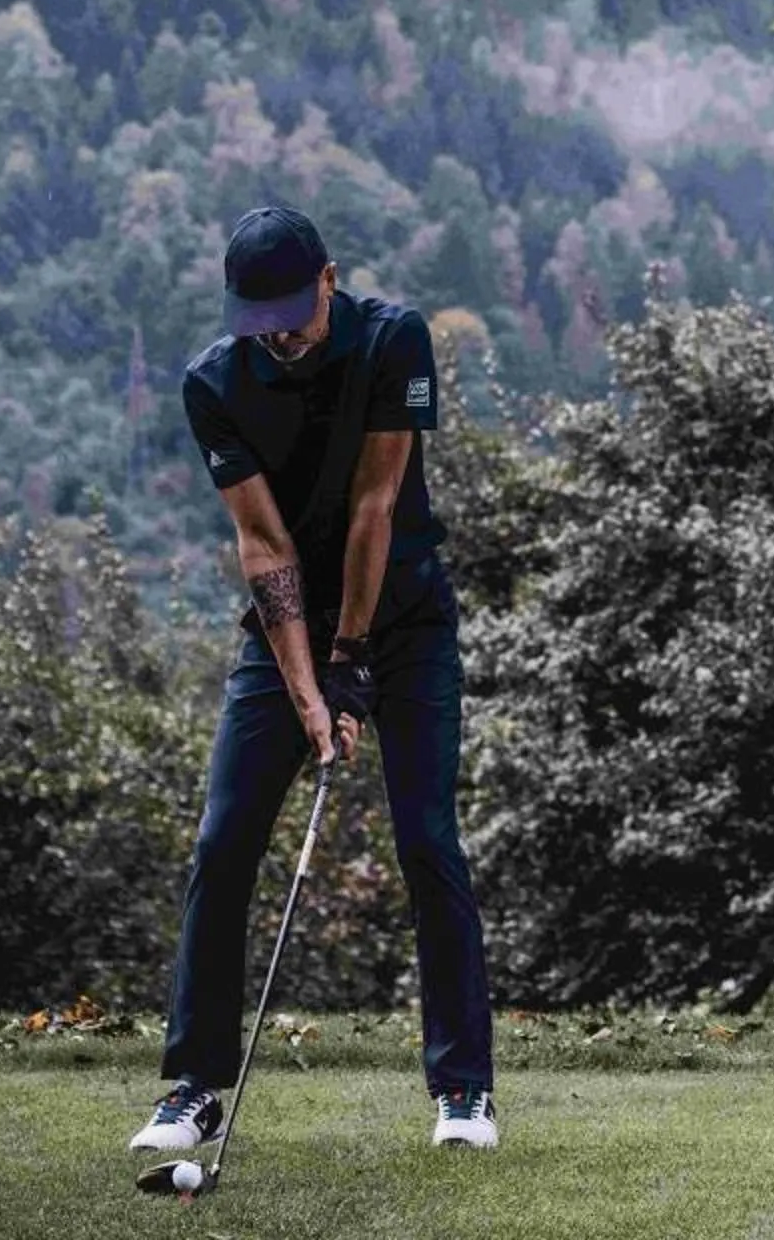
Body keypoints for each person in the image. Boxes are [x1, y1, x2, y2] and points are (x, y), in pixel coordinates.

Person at [128, 204, 499, 1156]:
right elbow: (266, 549)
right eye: (262, 318)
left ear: (329, 280)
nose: (283, 333)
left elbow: (377, 506)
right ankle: (193, 1089)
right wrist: (310, 692)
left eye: (295, 309)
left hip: (405, 625)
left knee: (427, 840)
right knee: (223, 838)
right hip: (285, 632)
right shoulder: (214, 383)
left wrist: (354, 663)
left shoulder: (392, 340)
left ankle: (463, 1092)